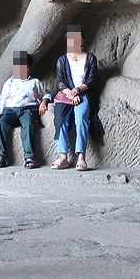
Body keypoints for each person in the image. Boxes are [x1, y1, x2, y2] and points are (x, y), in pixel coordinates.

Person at [51, 26, 102, 172]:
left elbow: (91, 80)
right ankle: (63, 157)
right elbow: (60, 81)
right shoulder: (62, 60)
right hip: (67, 94)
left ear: (82, 40)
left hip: (84, 93)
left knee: (81, 116)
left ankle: (81, 158)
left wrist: (77, 91)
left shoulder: (90, 58)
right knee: (60, 118)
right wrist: (70, 93)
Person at [0, 51, 50, 168]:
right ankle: (0, 156)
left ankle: (30, 157)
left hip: (28, 110)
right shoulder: (9, 83)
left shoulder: (35, 82)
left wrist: (44, 102)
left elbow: (46, 93)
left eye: (24, 67)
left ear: (29, 68)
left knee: (28, 124)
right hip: (10, 111)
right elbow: (2, 100)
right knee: (1, 124)